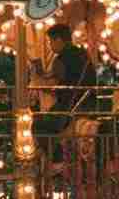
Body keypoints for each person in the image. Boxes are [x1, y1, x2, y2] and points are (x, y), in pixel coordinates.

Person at [32, 24, 98, 157]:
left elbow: (52, 85)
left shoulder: (61, 59)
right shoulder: (83, 54)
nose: (50, 45)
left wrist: (37, 79)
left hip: (69, 107)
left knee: (38, 125)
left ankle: (57, 160)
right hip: (89, 104)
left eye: (51, 42)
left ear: (59, 40)